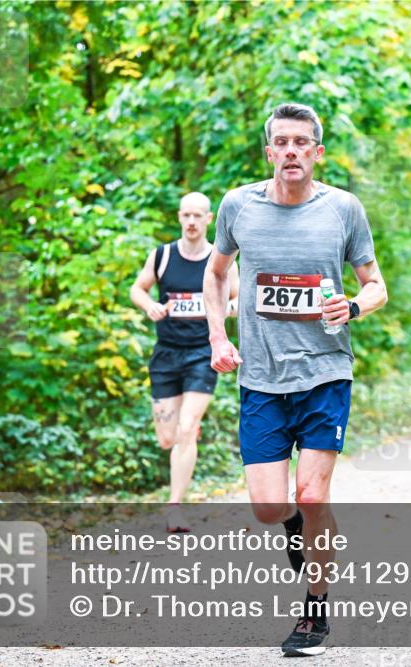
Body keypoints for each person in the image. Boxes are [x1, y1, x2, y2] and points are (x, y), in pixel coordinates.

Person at [202, 102, 387, 657]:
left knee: (311, 493)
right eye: (280, 142)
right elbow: (215, 276)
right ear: (268, 152)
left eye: (301, 143)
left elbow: (376, 284)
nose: (290, 151)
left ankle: (315, 611)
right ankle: (305, 529)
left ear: (317, 152)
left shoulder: (343, 209)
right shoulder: (238, 206)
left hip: (325, 374)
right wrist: (218, 336)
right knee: (267, 507)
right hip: (260, 379)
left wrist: (353, 308)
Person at [129, 192, 240, 532]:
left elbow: (237, 298)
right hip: (165, 354)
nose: (191, 222)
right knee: (167, 438)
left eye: (198, 216)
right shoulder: (162, 255)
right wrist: (149, 305)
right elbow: (138, 288)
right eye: (186, 216)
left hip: (202, 353)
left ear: (209, 219)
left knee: (186, 428)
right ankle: (185, 432)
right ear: (179, 217)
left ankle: (174, 506)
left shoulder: (221, 259)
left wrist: (222, 311)